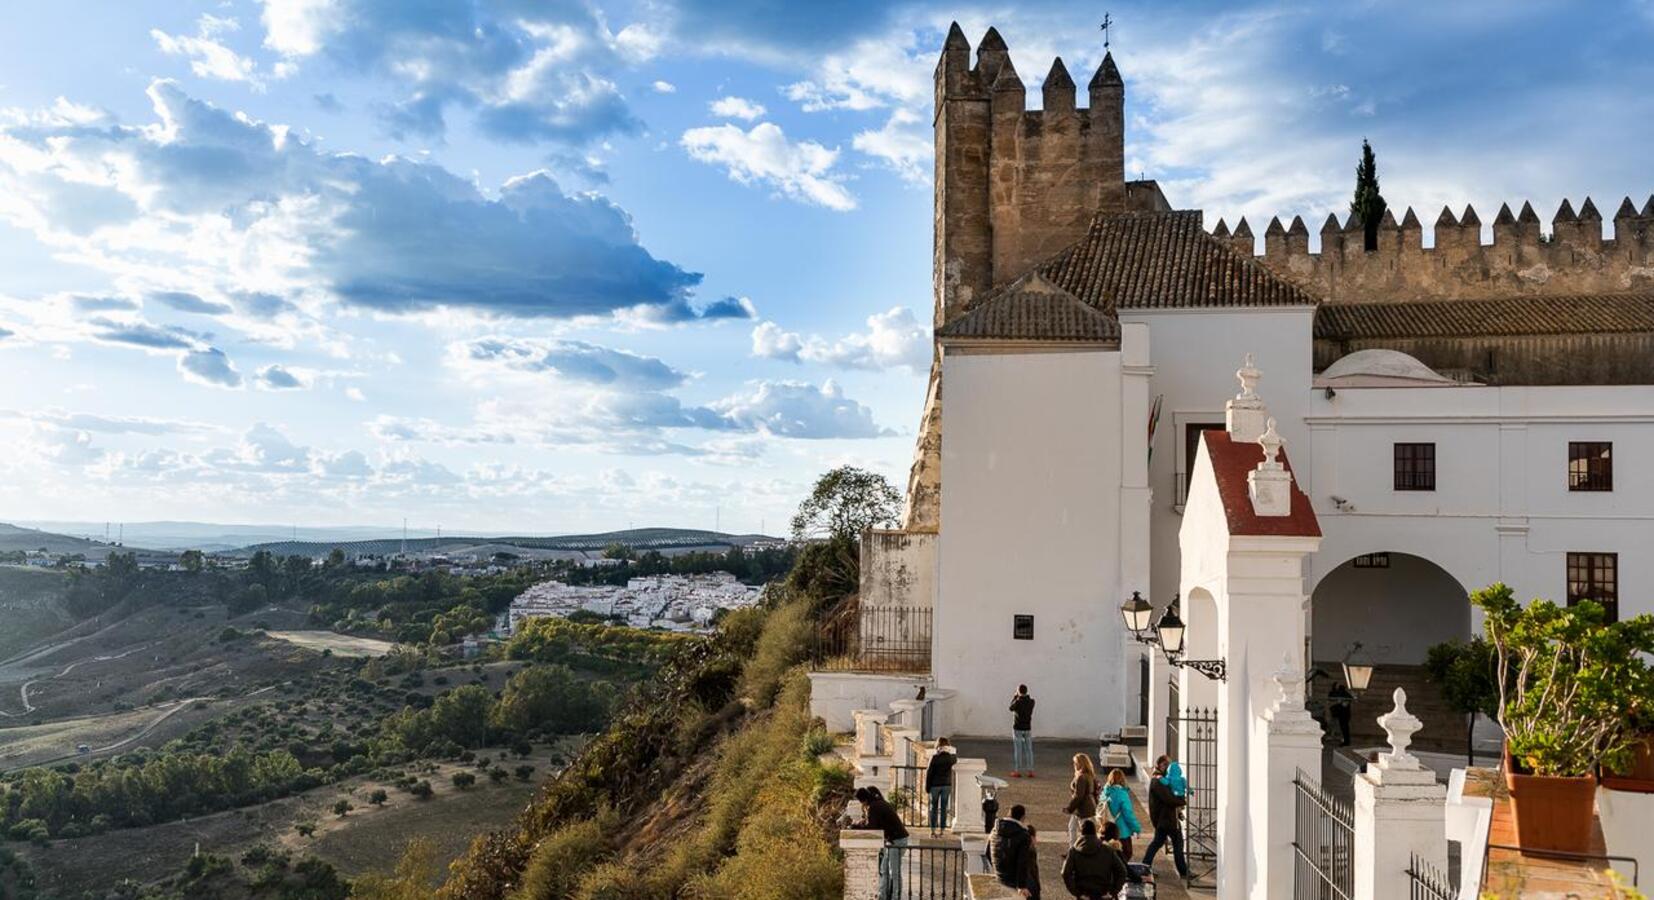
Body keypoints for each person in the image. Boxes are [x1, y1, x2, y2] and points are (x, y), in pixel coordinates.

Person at [856, 786, 910, 900]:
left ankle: (896, 896)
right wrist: (864, 821)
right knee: (884, 869)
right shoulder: (878, 803)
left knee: (894, 871)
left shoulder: (874, 807)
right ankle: (883, 895)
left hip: (897, 840)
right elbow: (876, 823)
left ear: (863, 800)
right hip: (893, 840)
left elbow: (872, 827)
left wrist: (857, 825)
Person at [1140, 756, 1189, 882]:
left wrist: (1178, 813)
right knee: (1177, 843)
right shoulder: (1158, 780)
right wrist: (1182, 800)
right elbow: (1168, 799)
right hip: (1166, 819)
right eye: (1168, 765)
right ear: (1162, 765)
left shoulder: (1161, 779)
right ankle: (1183, 871)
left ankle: (1145, 867)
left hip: (1164, 819)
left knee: (1157, 842)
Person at [1061, 818, 1129, 900]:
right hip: (1104, 893)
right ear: (1094, 832)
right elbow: (1122, 871)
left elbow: (1065, 873)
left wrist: (1077, 892)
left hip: (1084, 894)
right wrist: (1113, 891)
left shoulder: (1074, 851)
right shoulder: (1107, 850)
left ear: (1082, 833)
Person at [990, 803, 1034, 895]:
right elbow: (1022, 861)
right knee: (1034, 886)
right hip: (1012, 880)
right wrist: (1022, 886)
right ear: (1022, 817)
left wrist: (998, 869)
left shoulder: (995, 829)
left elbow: (987, 852)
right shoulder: (1023, 835)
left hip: (999, 876)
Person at [1101, 768, 1141, 859]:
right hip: (1121, 831)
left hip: (1107, 829)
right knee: (1126, 854)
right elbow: (1128, 814)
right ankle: (1119, 871)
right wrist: (1136, 829)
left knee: (1108, 854)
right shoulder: (1122, 794)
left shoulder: (1106, 792)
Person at [1064, 753, 1099, 845]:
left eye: (1075, 763)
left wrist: (1069, 808)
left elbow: (1079, 795)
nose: (1074, 765)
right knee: (1072, 828)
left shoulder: (1081, 777)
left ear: (1081, 764)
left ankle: (1077, 850)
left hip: (1082, 808)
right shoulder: (1090, 775)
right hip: (1087, 807)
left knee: (1082, 831)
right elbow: (1095, 791)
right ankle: (1073, 849)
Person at [926, 736, 958, 836]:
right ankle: (942, 830)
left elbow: (929, 773)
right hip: (946, 785)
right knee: (944, 808)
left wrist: (927, 787)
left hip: (935, 785)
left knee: (933, 808)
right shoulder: (951, 758)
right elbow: (955, 758)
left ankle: (933, 830)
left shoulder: (935, 758)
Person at [1010, 685, 1036, 777]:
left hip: (1018, 728)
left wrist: (1014, 697)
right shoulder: (1032, 702)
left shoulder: (1017, 702)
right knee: (1029, 750)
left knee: (1018, 750)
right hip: (1027, 728)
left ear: (1018, 691)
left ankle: (1017, 770)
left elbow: (1010, 708)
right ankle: (1031, 771)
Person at [1328, 682, 1354, 747]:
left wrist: (1342, 702)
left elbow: (1346, 703)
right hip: (1340, 714)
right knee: (1342, 727)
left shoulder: (1344, 694)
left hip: (1344, 714)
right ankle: (1344, 741)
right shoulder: (1340, 694)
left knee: (1344, 728)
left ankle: (1346, 741)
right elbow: (1331, 698)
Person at [1025, 825, 1043, 900]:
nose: (1036, 840)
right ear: (1031, 838)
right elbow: (1033, 873)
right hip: (1031, 890)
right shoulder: (1030, 852)